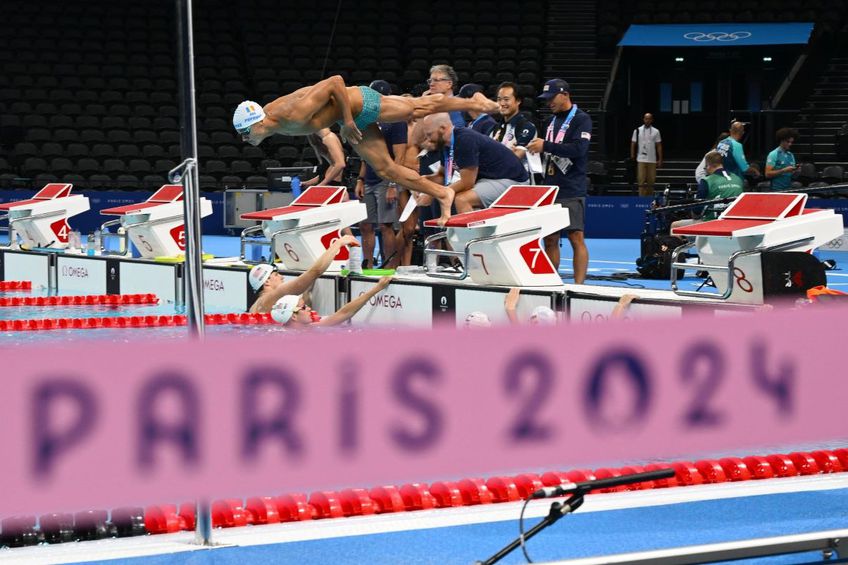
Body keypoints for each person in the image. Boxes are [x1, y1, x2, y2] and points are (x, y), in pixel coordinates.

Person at [232, 75, 498, 224]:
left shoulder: (290, 113)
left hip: (360, 104)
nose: (244, 140)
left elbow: (336, 82)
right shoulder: (275, 123)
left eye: (245, 134)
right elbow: (315, 125)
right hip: (345, 117)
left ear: (257, 124)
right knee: (386, 170)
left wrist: (347, 122)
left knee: (417, 107)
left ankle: (471, 102)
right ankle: (442, 193)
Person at [527, 79, 592, 284]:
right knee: (550, 239)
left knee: (575, 238)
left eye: (551, 98)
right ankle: (550, 282)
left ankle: (579, 286)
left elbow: (578, 150)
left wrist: (546, 145)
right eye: (546, 99)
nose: (549, 103)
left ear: (565, 94)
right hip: (550, 187)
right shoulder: (550, 121)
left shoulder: (582, 119)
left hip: (572, 186)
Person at [421, 112, 528, 214]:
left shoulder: (464, 140)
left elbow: (467, 183)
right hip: (490, 179)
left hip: (514, 181)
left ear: (442, 129)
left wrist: (435, 193)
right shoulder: (445, 144)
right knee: (453, 194)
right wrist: (420, 183)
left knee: (462, 199)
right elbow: (442, 175)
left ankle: (477, 233)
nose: (428, 140)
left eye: (429, 134)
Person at [355, 80, 406, 268]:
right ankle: (367, 264)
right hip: (369, 178)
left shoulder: (396, 120)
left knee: (386, 226)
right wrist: (360, 179)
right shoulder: (366, 120)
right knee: (365, 225)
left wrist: (393, 184)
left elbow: (399, 156)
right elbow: (364, 153)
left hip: (386, 180)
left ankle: (389, 266)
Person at [248, 234, 359, 314]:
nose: (282, 277)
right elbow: (315, 272)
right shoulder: (271, 297)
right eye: (276, 275)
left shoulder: (257, 305)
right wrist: (338, 243)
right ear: (266, 282)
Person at [270, 276, 392, 328]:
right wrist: (378, 288)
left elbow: (343, 313)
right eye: (303, 307)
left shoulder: (309, 329)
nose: (309, 309)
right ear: (294, 317)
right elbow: (343, 314)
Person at [491, 82, 537, 163]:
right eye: (499, 99)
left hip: (518, 175)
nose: (501, 103)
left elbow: (516, 158)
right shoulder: (496, 127)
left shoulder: (527, 127)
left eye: (506, 99)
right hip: (497, 174)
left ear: (518, 101)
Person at [696, 150, 744, 219]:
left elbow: (697, 211)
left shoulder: (706, 181)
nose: (706, 170)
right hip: (735, 220)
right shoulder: (738, 179)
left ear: (708, 165)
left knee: (675, 224)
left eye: (705, 167)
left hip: (712, 222)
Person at [630, 113, 663, 197]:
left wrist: (660, 159)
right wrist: (632, 155)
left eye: (649, 119)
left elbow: (659, 145)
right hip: (641, 159)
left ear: (652, 120)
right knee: (641, 180)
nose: (647, 120)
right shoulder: (637, 130)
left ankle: (649, 198)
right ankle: (641, 199)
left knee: (651, 180)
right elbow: (633, 143)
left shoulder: (656, 131)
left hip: (652, 159)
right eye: (646, 118)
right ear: (643, 119)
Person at [425, 64, 467, 128]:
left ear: (449, 84)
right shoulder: (428, 106)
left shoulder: (458, 107)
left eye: (436, 80)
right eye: (430, 81)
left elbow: (457, 132)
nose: (431, 84)